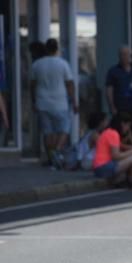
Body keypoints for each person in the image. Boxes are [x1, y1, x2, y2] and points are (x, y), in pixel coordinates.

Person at [30, 38, 76, 168]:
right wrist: (74, 101)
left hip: (42, 102)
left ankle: (51, 158)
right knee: (65, 128)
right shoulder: (63, 64)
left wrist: (34, 101)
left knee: (48, 132)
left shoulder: (37, 64)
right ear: (57, 49)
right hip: (59, 102)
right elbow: (70, 84)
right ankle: (57, 151)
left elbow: (32, 85)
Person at [106, 45, 132, 142]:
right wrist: (112, 107)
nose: (123, 57)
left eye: (126, 54)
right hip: (121, 107)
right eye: (121, 55)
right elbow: (109, 90)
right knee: (121, 131)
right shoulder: (113, 71)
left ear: (130, 56)